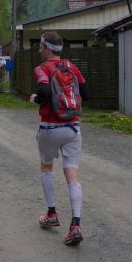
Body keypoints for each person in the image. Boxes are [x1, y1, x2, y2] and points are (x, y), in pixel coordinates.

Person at [29, 31, 89, 246]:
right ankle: (76, 225)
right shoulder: (72, 67)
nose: (39, 50)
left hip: (50, 127)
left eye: (40, 46)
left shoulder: (42, 68)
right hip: (73, 127)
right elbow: (85, 93)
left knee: (47, 167)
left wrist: (35, 98)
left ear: (47, 48)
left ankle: (52, 214)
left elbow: (44, 92)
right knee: (72, 173)